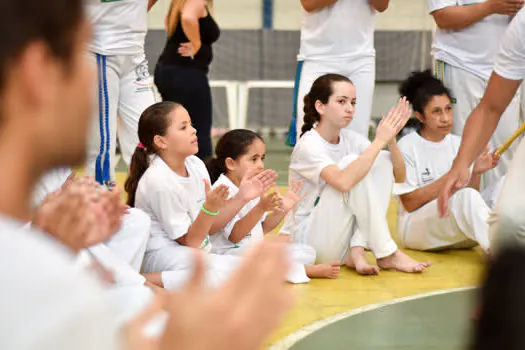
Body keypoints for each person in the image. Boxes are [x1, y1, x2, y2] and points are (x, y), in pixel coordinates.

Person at [0, 1, 295, 348]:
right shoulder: (156, 179)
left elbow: (214, 234)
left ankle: (142, 285)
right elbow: (195, 238)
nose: (92, 81)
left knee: (143, 266)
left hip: (120, 261)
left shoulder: (197, 165)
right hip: (168, 253)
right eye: (81, 57)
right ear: (39, 71)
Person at [282, 73, 430, 274]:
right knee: (352, 165)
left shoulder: (352, 139)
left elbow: (399, 176)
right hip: (309, 243)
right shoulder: (309, 145)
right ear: (320, 106)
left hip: (339, 241)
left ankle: (357, 249)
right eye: (341, 101)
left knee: (383, 160)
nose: (350, 108)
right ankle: (386, 252)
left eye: (353, 102)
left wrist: (391, 141)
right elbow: (343, 182)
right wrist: (378, 141)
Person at [125, 102, 283, 289]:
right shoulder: (158, 181)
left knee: (253, 269)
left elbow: (210, 228)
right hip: (164, 256)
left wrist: (242, 197)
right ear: (161, 141)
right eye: (184, 127)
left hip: (192, 252)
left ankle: (163, 284)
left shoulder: (195, 165)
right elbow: (191, 241)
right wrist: (209, 209)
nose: (193, 130)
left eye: (191, 124)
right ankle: (139, 281)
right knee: (232, 275)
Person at [438, 8, 525, 251]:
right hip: (465, 66)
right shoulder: (521, 26)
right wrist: (461, 164)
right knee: (507, 221)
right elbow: (490, 108)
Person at [206, 129, 341, 280]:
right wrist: (260, 208)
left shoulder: (253, 185)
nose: (260, 165)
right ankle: (305, 271)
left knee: (307, 252)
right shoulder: (223, 189)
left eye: (262, 158)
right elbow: (235, 236)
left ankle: (291, 267)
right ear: (231, 163)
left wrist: (283, 210)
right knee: (258, 260)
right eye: (254, 159)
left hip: (252, 248)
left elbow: (262, 227)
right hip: (230, 252)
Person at [396, 70, 497, 253]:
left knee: (503, 187)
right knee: (468, 199)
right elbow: (409, 203)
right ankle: (504, 258)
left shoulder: (460, 144)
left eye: (448, 109)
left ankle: (504, 248)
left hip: (454, 229)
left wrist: (475, 173)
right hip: (416, 229)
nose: (445, 118)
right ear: (419, 116)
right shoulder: (407, 146)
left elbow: (469, 198)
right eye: (436, 111)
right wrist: (453, 174)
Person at [429, 0, 523, 188]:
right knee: (460, 152)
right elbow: (443, 16)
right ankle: (460, 213)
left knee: (502, 156)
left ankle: (491, 214)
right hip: (459, 63)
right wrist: (491, 7)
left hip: (506, 69)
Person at [287, 0, 389, 146]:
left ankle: (351, 168)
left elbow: (382, 5)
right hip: (318, 57)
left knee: (357, 134)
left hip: (360, 58)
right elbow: (309, 4)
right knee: (310, 132)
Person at [85, 0, 158, 184]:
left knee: (149, 134)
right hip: (100, 53)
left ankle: (145, 199)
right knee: (102, 142)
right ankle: (100, 200)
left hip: (135, 54)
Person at [154, 0, 219, 160]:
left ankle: (173, 171)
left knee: (173, 127)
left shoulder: (178, 2)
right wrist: (196, 44)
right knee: (198, 129)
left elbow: (168, 19)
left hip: (170, 71)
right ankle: (202, 178)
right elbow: (188, 17)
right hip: (185, 74)